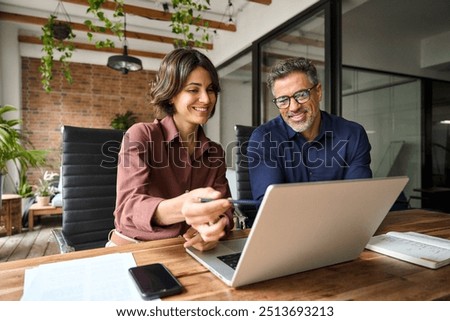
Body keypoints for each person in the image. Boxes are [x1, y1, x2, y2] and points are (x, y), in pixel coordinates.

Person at [108, 48, 234, 251]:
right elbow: (127, 209)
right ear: (171, 95)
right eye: (194, 90)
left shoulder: (215, 152)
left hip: (187, 251)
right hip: (135, 249)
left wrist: (215, 230)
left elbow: (225, 209)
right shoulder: (142, 135)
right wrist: (182, 208)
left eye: (211, 89)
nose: (206, 99)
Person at [248, 57, 372, 201]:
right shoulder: (264, 139)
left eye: (301, 95)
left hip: (343, 223)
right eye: (283, 100)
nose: (294, 107)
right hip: (289, 224)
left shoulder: (353, 134)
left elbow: (358, 198)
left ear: (318, 92)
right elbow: (268, 207)